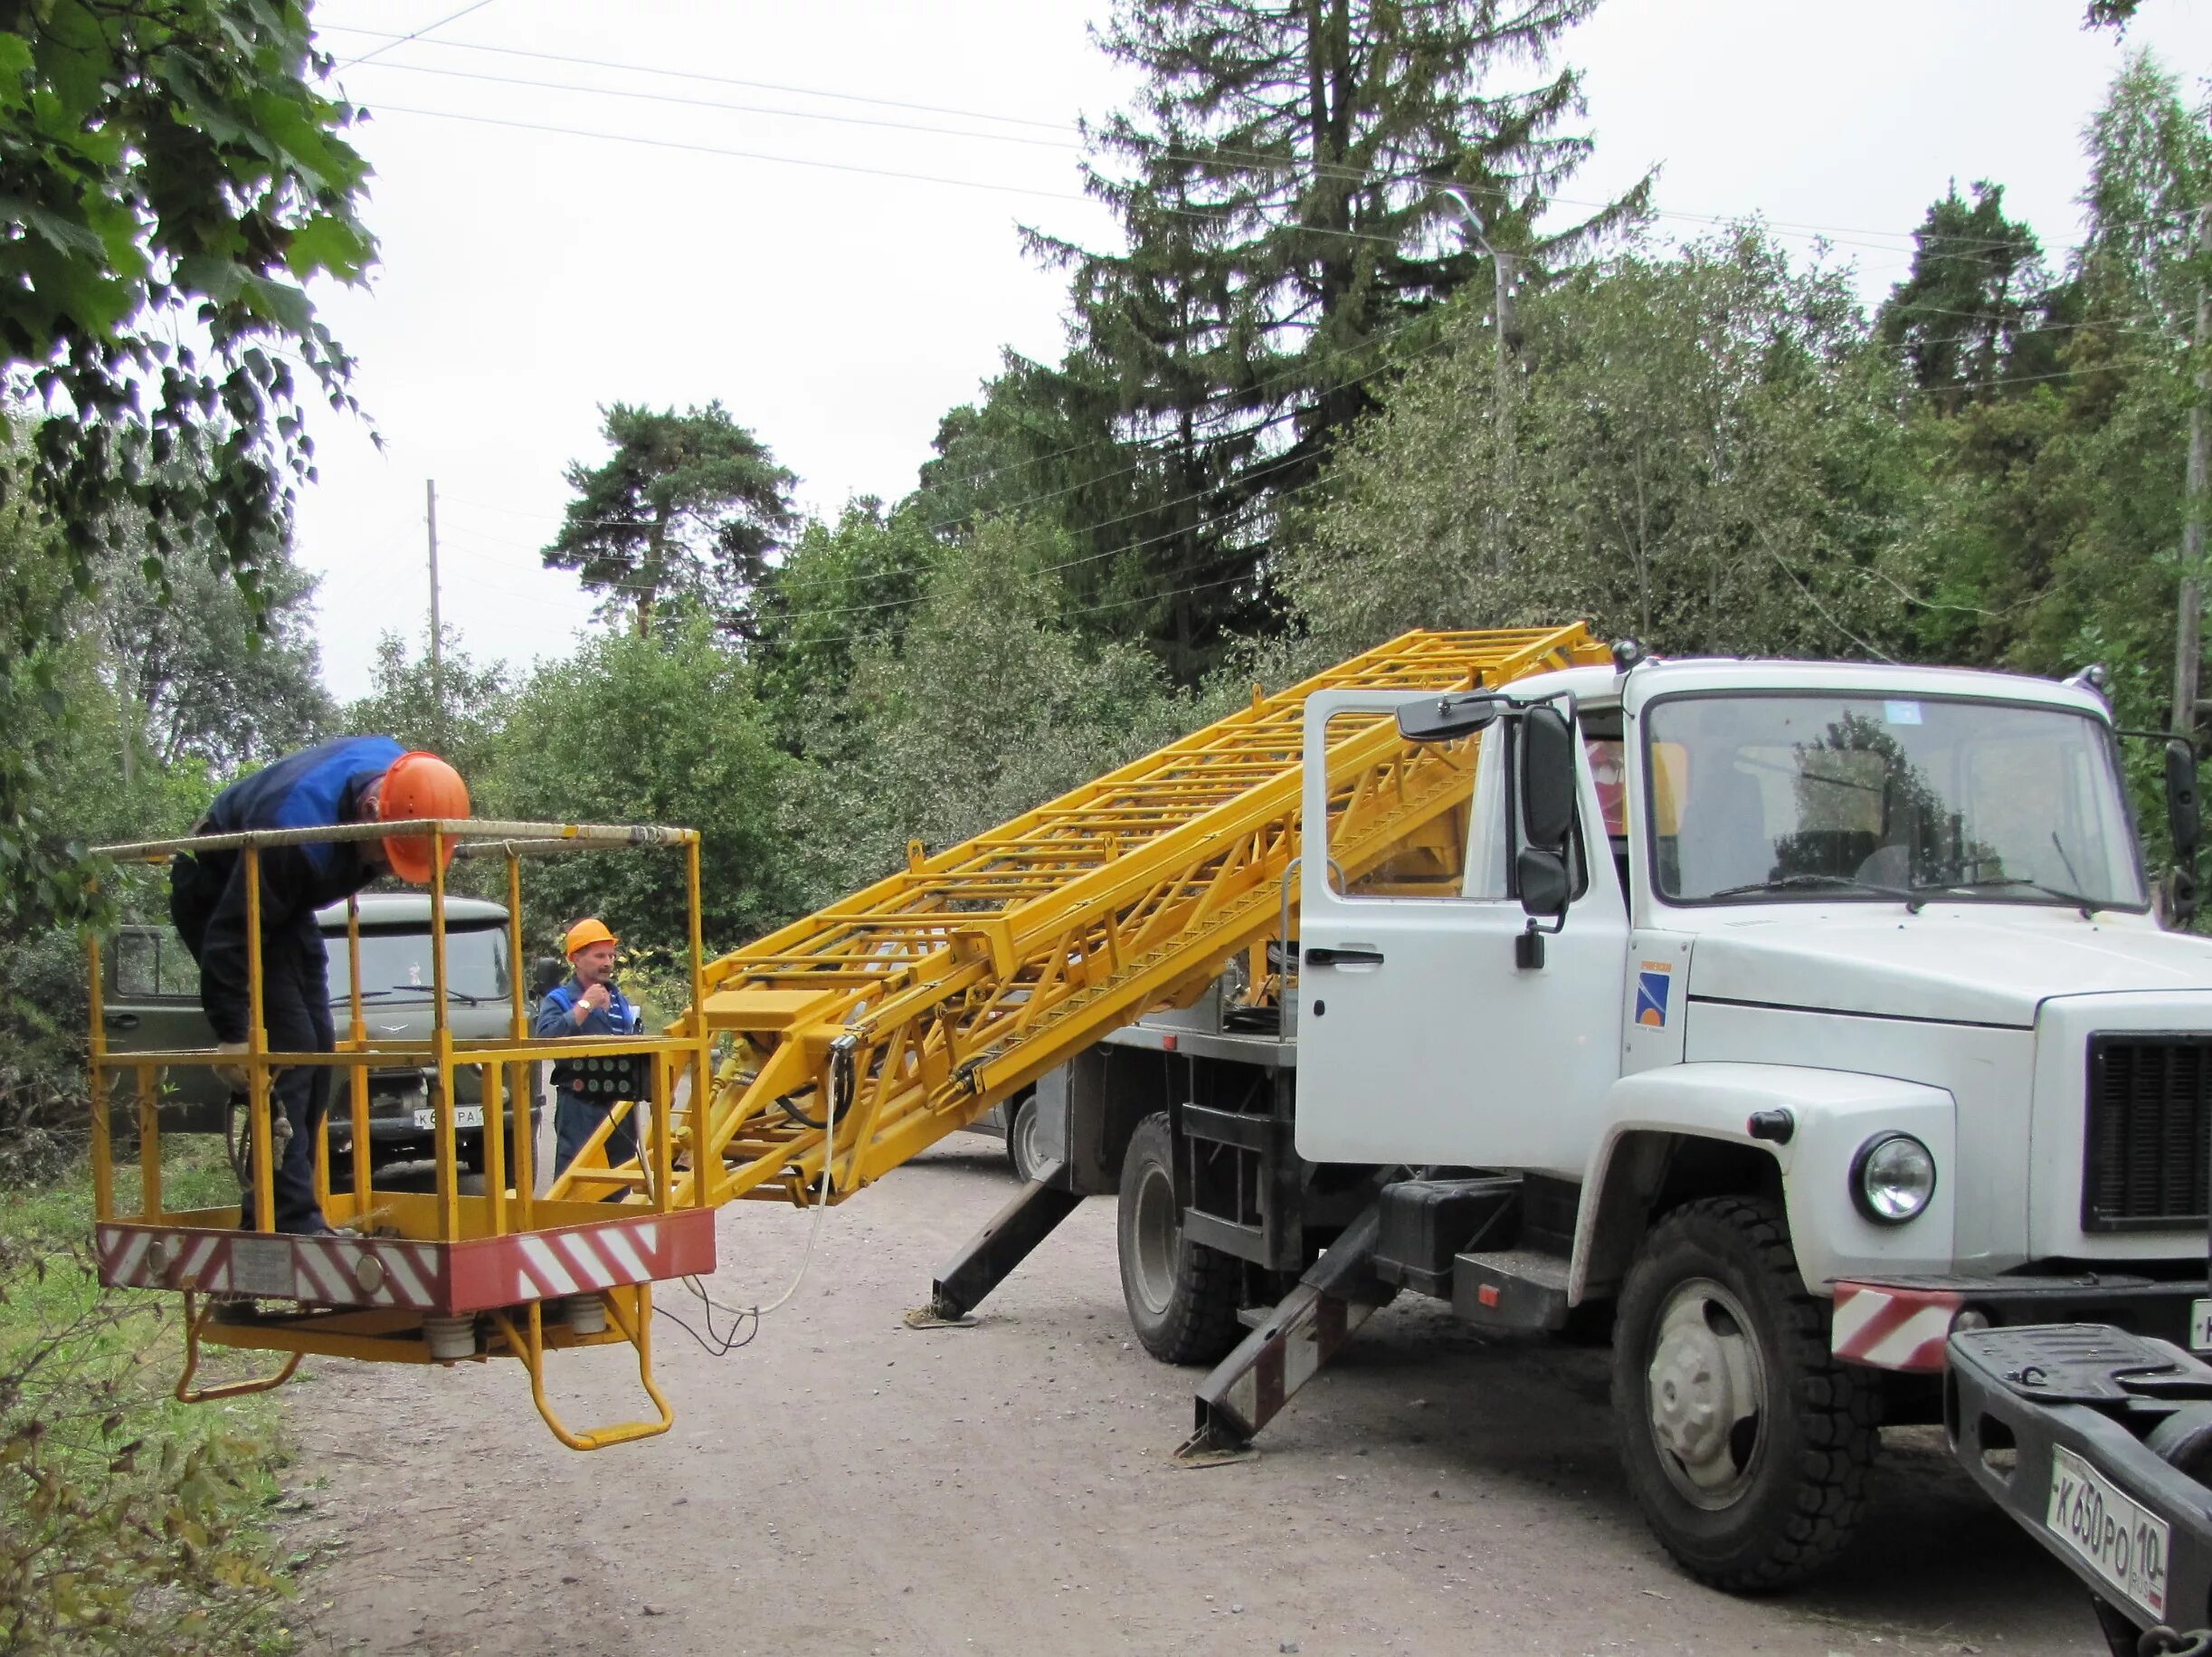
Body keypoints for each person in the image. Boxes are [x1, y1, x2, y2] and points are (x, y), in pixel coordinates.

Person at [169, 739, 471, 1234]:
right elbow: (232, 933)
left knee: (318, 1049)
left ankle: (279, 1205)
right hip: (217, 888)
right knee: (289, 1050)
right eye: (385, 853)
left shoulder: (406, 779)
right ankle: (285, 1217)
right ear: (370, 812)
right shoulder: (295, 836)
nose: (383, 866)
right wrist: (232, 1033)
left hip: (284, 906)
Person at [535, 918, 644, 1178]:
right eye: (598, 956)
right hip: (580, 1105)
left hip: (621, 1104)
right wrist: (584, 1006)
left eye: (610, 955)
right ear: (576, 958)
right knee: (575, 1178)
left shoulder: (620, 1001)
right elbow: (545, 1041)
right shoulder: (559, 1000)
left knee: (620, 1178)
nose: (607, 962)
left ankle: (617, 1220)